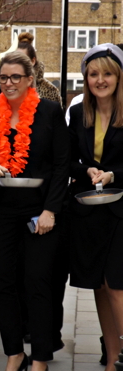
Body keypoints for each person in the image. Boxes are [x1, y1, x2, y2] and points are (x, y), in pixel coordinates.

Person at [0, 51, 69, 371]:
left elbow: (61, 166)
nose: (8, 83)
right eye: (4, 77)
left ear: (30, 80)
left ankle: (41, 356)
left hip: (39, 211)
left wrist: (51, 210)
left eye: (16, 77)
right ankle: (14, 352)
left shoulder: (49, 112)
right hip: (0, 212)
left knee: (37, 282)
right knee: (2, 282)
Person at [68, 43, 123, 371]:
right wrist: (85, 170)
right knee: (100, 285)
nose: (100, 80)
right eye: (93, 74)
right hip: (90, 209)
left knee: (117, 283)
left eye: (106, 74)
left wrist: (115, 173)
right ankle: (112, 359)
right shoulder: (78, 113)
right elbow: (67, 160)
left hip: (121, 209)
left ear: (118, 77)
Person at [16, 33, 62, 105]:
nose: (18, 64)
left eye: (23, 59)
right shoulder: (9, 86)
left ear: (33, 61)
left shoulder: (49, 90)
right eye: (15, 59)